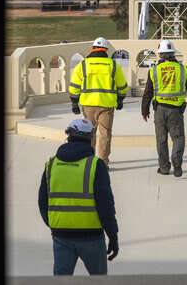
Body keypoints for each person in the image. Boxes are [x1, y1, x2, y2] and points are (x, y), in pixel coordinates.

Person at [38, 118, 119, 276]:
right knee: (99, 280)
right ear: (91, 138)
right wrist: (113, 235)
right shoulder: (95, 165)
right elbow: (106, 205)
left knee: (61, 280)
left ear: (68, 135)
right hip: (92, 237)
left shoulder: (51, 165)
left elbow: (42, 202)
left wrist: (56, 224)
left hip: (61, 236)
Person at [140, 40, 187, 177]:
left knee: (161, 140)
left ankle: (164, 168)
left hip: (159, 110)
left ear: (160, 54)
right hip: (176, 111)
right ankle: (177, 162)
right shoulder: (183, 69)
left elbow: (147, 92)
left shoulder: (154, 70)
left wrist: (145, 111)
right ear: (173, 53)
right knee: (178, 138)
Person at [68, 37, 128, 168]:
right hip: (106, 106)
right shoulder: (112, 65)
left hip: (88, 106)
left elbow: (74, 86)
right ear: (105, 50)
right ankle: (102, 163)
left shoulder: (83, 65)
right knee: (105, 135)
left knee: (89, 133)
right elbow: (122, 86)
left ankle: (88, 162)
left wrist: (74, 103)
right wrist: (120, 99)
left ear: (93, 48)